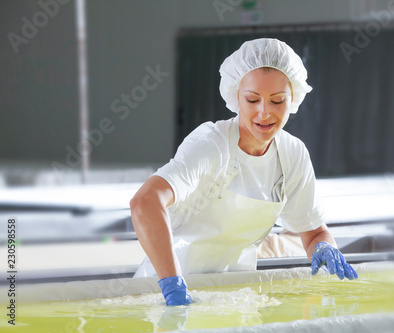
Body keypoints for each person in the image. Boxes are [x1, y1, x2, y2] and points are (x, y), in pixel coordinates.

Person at [130, 38, 358, 306]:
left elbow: (313, 232)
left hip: (233, 299)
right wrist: (172, 286)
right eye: (252, 99)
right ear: (236, 96)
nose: (264, 113)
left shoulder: (292, 154)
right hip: (166, 295)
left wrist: (324, 246)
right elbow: (145, 202)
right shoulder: (211, 145)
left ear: (293, 98)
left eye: (277, 100)